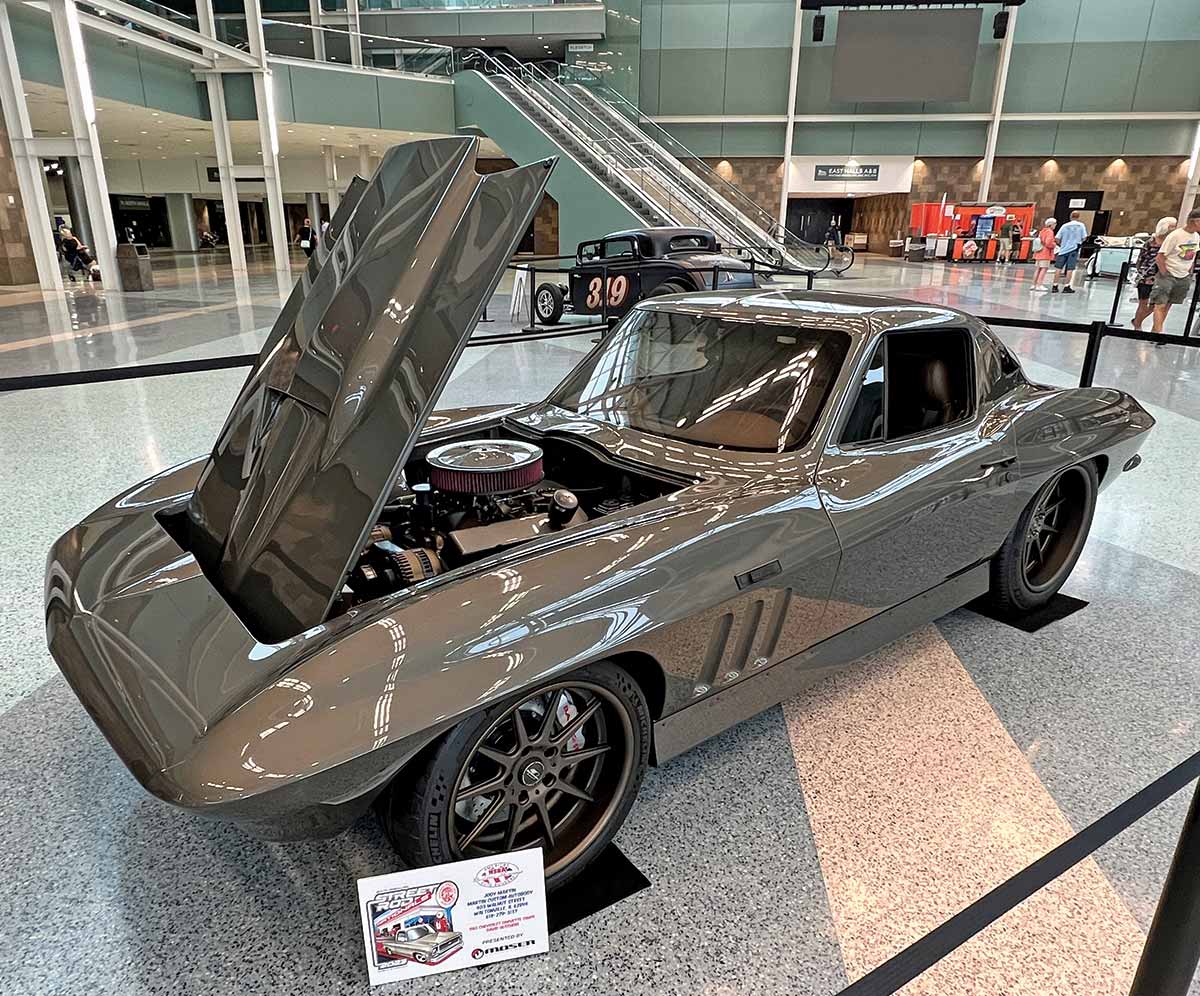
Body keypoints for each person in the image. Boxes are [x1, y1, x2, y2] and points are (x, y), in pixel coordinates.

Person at [1150, 209, 1200, 333]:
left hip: (1183, 275)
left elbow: (1193, 256)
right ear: (1195, 221)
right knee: (1160, 303)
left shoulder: (1196, 237)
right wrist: (1165, 273)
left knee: (1168, 304)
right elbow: (1160, 256)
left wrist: (1189, 272)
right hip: (1168, 274)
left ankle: (1155, 330)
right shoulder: (1175, 235)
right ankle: (1159, 333)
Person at [1130, 217, 1176, 331]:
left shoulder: (1171, 242)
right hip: (1146, 277)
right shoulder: (1151, 241)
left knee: (1155, 305)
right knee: (1143, 303)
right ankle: (1137, 325)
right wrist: (1143, 274)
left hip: (1161, 277)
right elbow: (1141, 259)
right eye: (1172, 226)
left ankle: (1138, 321)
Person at [1051, 210, 1088, 293]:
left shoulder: (1064, 226)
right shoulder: (1081, 225)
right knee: (1070, 269)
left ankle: (1055, 286)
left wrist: (1062, 245)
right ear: (1078, 217)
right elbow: (1084, 237)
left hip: (1063, 250)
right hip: (1074, 250)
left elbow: (1057, 238)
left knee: (1058, 268)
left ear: (1070, 216)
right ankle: (1066, 286)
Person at [1032, 218, 1057, 290]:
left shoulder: (1042, 231)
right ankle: (1039, 285)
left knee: (1038, 269)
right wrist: (1054, 245)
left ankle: (1034, 284)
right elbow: (1048, 243)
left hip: (1039, 252)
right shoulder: (1050, 232)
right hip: (1045, 253)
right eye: (1054, 224)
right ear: (1051, 224)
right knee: (1044, 269)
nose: (1055, 225)